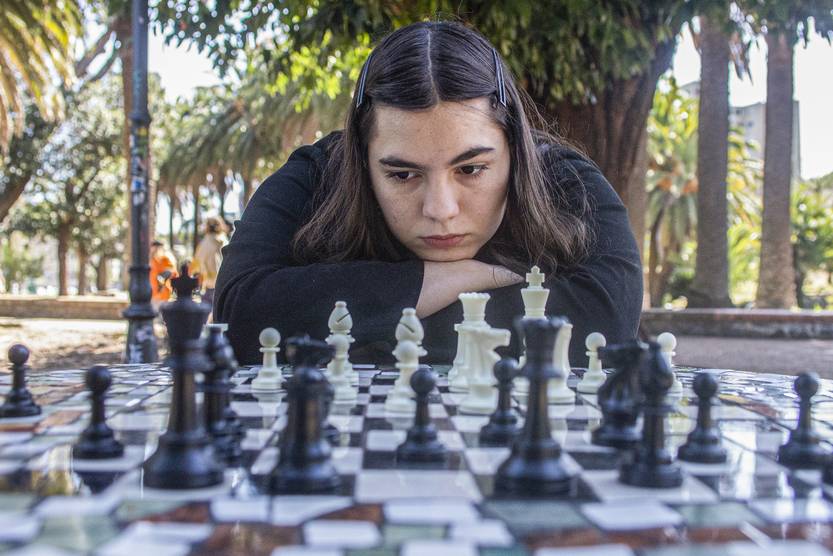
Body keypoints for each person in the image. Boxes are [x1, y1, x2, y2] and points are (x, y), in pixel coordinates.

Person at [215, 21, 643, 366]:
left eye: (470, 169)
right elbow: (240, 317)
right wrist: (455, 279)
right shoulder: (316, 173)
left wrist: (361, 326)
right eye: (403, 174)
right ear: (362, 157)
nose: (440, 209)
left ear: (515, 148)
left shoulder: (565, 178)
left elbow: (607, 323)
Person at [191, 216, 228, 307]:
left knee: (208, 313)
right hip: (225, 284)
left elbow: (196, 265)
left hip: (210, 284)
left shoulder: (204, 243)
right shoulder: (225, 241)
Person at [150, 240, 177, 311]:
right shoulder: (153, 260)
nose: (153, 251)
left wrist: (160, 285)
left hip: (164, 296)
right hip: (155, 295)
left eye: (156, 248)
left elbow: (171, 273)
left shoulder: (165, 258)